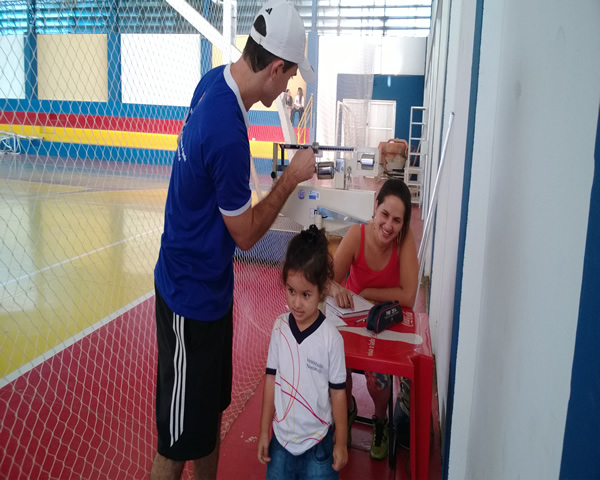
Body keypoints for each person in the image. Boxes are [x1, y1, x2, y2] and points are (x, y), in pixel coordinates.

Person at [151, 1, 316, 478]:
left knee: (206, 423)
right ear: (276, 68)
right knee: (175, 446)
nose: (288, 87)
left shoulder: (214, 82)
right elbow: (244, 235)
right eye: (290, 76)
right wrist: (290, 179)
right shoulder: (225, 126)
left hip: (211, 292)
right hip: (188, 299)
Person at [328, 178, 418, 460]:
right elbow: (328, 281)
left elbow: (409, 296)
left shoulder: (404, 241)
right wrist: (336, 288)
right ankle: (347, 411)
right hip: (353, 323)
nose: (389, 225)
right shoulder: (356, 235)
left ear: (404, 224)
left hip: (384, 327)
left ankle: (381, 420)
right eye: (385, 214)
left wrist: (367, 293)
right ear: (375, 208)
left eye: (397, 220)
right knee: (335, 364)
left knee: (378, 379)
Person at [258, 225, 348, 479]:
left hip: (319, 445)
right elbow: (271, 380)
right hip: (280, 442)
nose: (296, 303)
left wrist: (341, 442)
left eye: (306, 294)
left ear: (322, 290)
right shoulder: (279, 328)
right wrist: (264, 431)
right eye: (291, 291)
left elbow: (338, 393)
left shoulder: (331, 338)